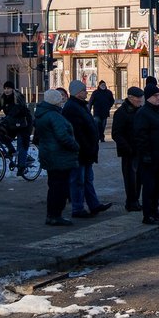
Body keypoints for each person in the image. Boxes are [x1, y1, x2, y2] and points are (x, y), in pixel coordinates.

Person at [62, 80, 112, 219]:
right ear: (77, 92)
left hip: (86, 150)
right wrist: (85, 146)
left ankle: (93, 204)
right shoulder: (72, 107)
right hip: (80, 151)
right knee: (78, 180)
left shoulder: (80, 105)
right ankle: (77, 208)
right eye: (84, 90)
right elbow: (77, 132)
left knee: (87, 179)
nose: (86, 92)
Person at [33, 89, 79, 226]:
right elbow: (63, 136)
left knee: (53, 185)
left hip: (49, 154)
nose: (62, 101)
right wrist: (75, 145)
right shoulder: (54, 116)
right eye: (60, 99)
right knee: (59, 187)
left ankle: (52, 214)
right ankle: (55, 215)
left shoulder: (42, 114)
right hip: (59, 156)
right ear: (55, 101)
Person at [133, 84, 159, 225]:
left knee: (156, 186)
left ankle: (155, 211)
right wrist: (146, 155)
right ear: (148, 97)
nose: (158, 98)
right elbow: (140, 136)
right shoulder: (143, 113)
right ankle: (148, 214)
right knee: (149, 187)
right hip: (149, 158)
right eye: (156, 96)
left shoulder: (158, 111)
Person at [0, 80, 33, 173]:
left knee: (21, 144)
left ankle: (22, 167)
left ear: (13, 89)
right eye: (5, 88)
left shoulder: (19, 97)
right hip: (12, 124)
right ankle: (12, 151)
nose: (6, 90)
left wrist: (7, 117)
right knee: (1, 133)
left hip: (24, 124)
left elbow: (16, 109)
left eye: (9, 88)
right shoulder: (3, 99)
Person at [112, 86, 144, 212]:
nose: (140, 100)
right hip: (129, 151)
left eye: (141, 98)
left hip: (139, 149)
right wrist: (128, 148)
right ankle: (131, 202)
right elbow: (116, 134)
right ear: (130, 98)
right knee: (131, 178)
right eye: (138, 98)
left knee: (138, 178)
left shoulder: (140, 110)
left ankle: (135, 200)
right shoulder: (121, 112)